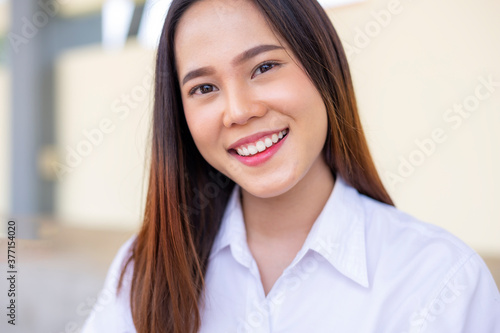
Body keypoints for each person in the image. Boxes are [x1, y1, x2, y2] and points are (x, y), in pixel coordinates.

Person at [81, 0, 500, 332]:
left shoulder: (441, 279)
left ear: (324, 69)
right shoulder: (145, 270)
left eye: (264, 67)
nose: (239, 111)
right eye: (204, 88)